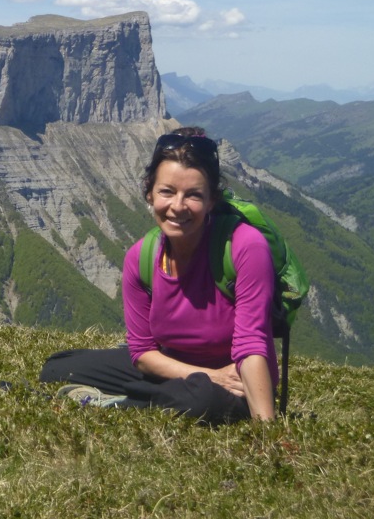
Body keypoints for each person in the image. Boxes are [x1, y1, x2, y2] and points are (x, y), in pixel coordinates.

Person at [39, 127, 278, 423]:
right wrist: (208, 375)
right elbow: (141, 352)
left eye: (193, 195)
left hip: (234, 384)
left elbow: (251, 345)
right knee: (55, 368)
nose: (178, 206)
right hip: (178, 369)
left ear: (212, 200)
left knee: (202, 399)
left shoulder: (245, 246)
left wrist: (267, 431)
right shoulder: (141, 257)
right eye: (167, 192)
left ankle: (116, 402)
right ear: (149, 192)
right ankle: (139, 397)